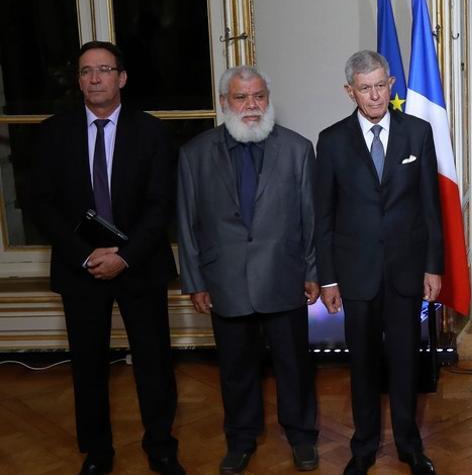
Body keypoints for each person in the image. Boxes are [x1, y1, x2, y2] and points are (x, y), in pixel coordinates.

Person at [28, 41, 185, 475]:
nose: (94, 79)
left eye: (104, 69)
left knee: (153, 364)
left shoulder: (151, 132)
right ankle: (97, 452)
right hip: (81, 269)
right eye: (85, 71)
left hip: (141, 265)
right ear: (78, 80)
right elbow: (40, 203)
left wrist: (126, 256)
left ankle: (161, 446)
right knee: (88, 365)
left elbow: (162, 205)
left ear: (122, 77)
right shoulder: (52, 132)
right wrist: (86, 254)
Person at [176, 66, 320, 474]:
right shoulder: (194, 154)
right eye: (241, 98)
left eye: (258, 96)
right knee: (236, 369)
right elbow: (187, 223)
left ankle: (302, 436)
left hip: (283, 275)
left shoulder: (297, 148)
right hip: (225, 281)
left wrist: (312, 270)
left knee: (294, 364)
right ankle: (240, 440)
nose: (251, 106)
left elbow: (310, 217)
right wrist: (195, 281)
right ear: (225, 103)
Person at [315, 50, 444, 475]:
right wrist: (328, 279)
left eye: (381, 86)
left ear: (392, 84)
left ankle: (409, 445)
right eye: (365, 88)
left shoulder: (418, 133)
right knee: (363, 364)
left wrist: (433, 266)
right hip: (356, 275)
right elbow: (325, 216)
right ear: (349, 91)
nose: (374, 96)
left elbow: (431, 207)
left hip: (406, 271)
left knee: (407, 362)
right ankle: (364, 446)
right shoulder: (331, 140)